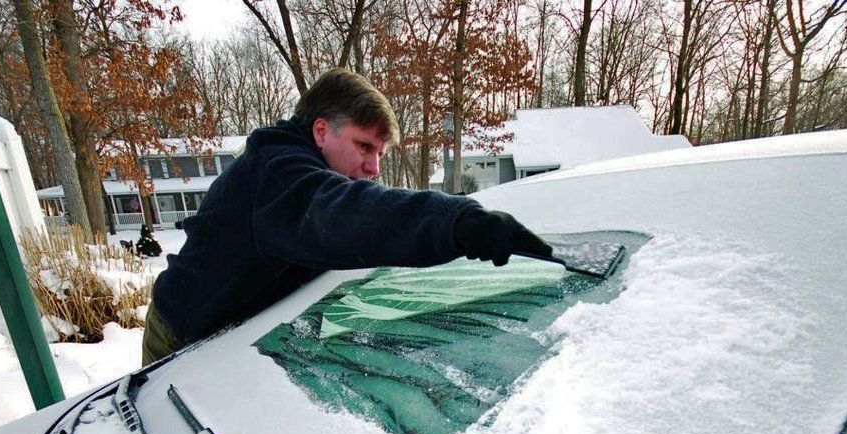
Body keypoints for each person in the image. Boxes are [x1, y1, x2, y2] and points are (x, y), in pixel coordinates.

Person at [142, 68, 551, 364]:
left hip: (234, 333)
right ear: (321, 131)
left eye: (379, 153)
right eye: (364, 146)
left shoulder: (294, 170)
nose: (373, 167)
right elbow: (349, 215)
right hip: (183, 338)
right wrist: (459, 222)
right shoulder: (279, 176)